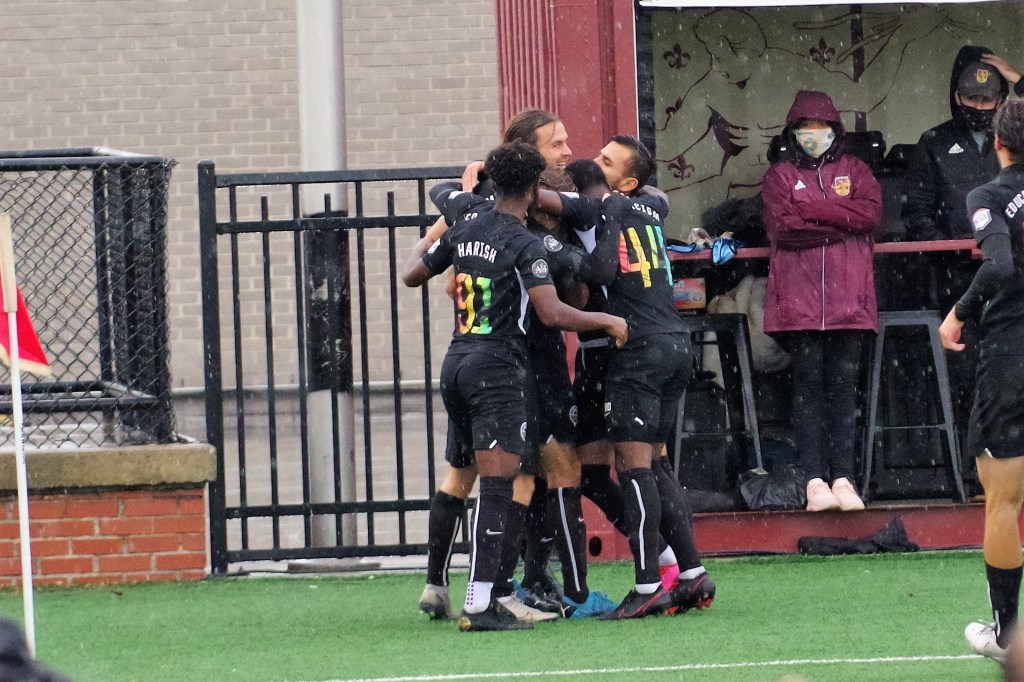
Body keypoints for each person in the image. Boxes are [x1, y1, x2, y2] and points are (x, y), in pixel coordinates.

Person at [403, 141, 628, 632]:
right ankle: (481, 603)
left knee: (467, 476)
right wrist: (606, 319)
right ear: (532, 189)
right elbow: (552, 313)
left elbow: (413, 275)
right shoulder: (526, 243)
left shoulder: (465, 227)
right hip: (498, 369)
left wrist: (437, 244)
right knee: (499, 487)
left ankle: (463, 589)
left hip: (456, 362)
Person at [418, 109, 578, 621]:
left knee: (470, 473)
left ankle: (447, 585)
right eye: (554, 144)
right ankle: (497, 591)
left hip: (468, 356)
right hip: (510, 360)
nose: (566, 152)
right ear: (525, 153)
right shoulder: (511, 216)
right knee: (515, 476)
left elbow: (426, 261)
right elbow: (561, 300)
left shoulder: (484, 208)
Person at [550, 136, 715, 619]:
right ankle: (690, 572)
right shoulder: (647, 206)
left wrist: (496, 181)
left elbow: (594, 273)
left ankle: (649, 584)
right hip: (671, 342)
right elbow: (657, 199)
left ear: (625, 183)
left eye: (607, 161)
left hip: (633, 351)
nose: (590, 159)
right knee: (651, 466)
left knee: (635, 469)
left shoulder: (598, 208)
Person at [902, 46, 1023, 494]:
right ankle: (974, 477)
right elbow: (916, 214)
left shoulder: (1014, 140)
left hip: (1013, 281)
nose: (979, 107)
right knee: (967, 379)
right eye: (971, 99)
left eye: (988, 100)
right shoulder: (933, 142)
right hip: (958, 280)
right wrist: (954, 250)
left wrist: (1020, 78)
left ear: (1002, 101)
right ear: (956, 97)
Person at [761, 90, 882, 512]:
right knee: (808, 389)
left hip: (850, 301)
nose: (814, 133)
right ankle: (814, 481)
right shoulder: (779, 176)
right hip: (799, 304)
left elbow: (870, 215)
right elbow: (783, 228)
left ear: (835, 130)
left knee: (844, 390)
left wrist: (813, 210)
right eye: (805, 127)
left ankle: (844, 479)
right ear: (792, 132)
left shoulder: (856, 170)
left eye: (821, 126)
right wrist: (841, 218)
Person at [939, 99, 1024, 664]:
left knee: (1004, 500)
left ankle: (1008, 637)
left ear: (998, 142)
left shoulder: (989, 195)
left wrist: (958, 313)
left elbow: (998, 265)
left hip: (1013, 355)